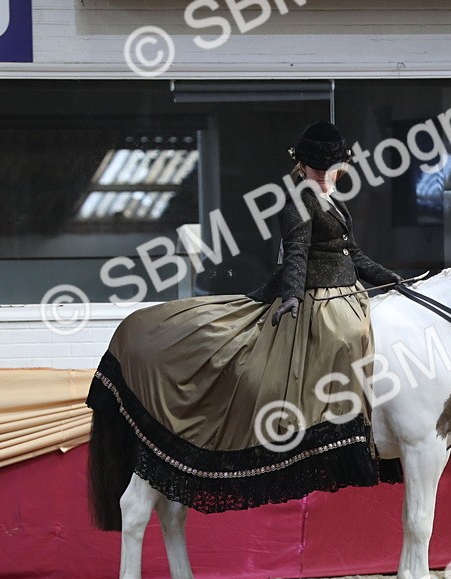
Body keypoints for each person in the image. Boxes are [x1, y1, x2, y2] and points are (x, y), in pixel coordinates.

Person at [86, 121, 402, 514]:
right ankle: (338, 430)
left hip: (346, 291)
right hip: (316, 297)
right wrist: (290, 296)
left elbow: (349, 253)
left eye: (329, 168)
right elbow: (298, 253)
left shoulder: (334, 201)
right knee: (347, 334)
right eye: (316, 169)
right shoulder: (298, 201)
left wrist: (388, 277)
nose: (323, 176)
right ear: (301, 166)